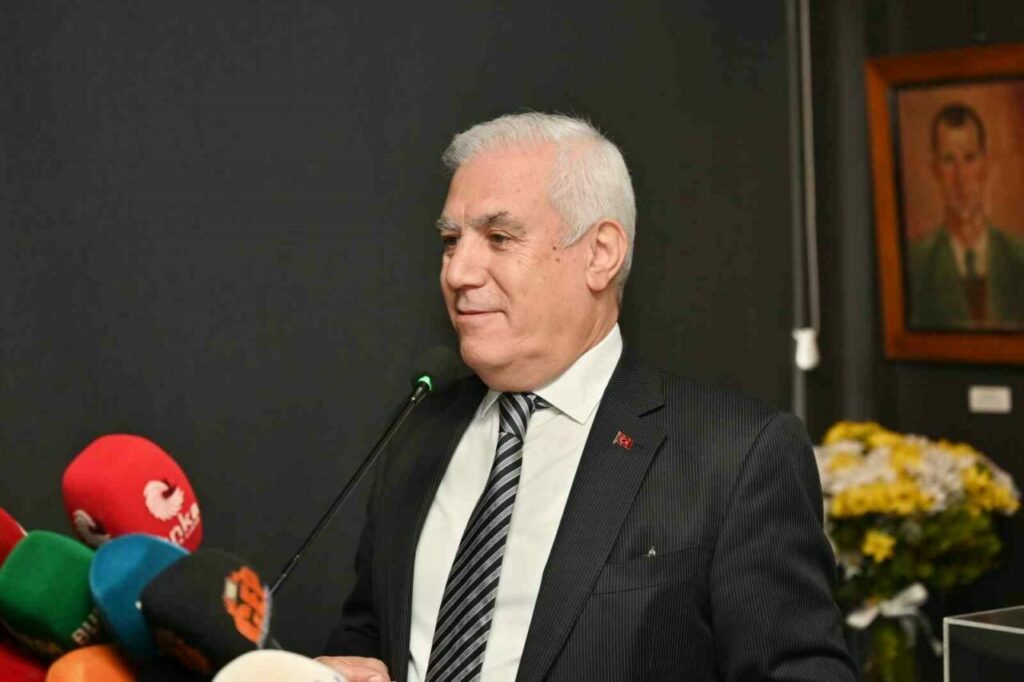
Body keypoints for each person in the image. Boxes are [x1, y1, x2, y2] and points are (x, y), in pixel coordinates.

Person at [318, 113, 856, 681]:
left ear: (601, 254)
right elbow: (370, 631)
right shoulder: (419, 430)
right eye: (451, 241)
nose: (458, 272)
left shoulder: (735, 454)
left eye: (499, 238)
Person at [908, 103, 1024, 330]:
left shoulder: (1019, 258)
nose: (961, 178)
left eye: (969, 158)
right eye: (948, 160)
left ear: (986, 164)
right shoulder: (916, 266)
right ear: (934, 169)